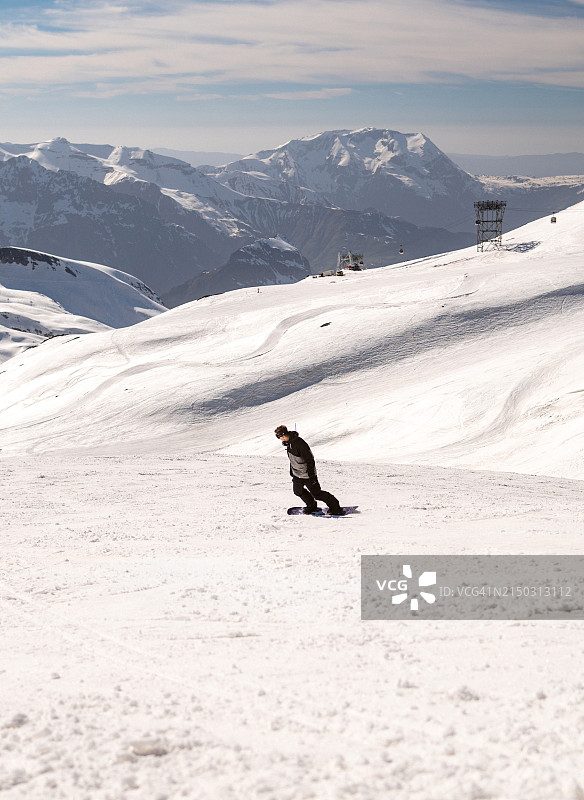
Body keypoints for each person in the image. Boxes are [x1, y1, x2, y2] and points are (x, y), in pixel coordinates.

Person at [274, 425, 345, 515]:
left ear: (284, 435)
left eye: (279, 436)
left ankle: (335, 507)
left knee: (317, 494)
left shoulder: (300, 443)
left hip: (307, 474)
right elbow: (292, 459)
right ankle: (311, 505)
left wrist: (311, 475)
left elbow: (310, 459)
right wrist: (292, 472)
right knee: (298, 491)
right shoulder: (289, 444)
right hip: (297, 474)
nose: (280, 439)